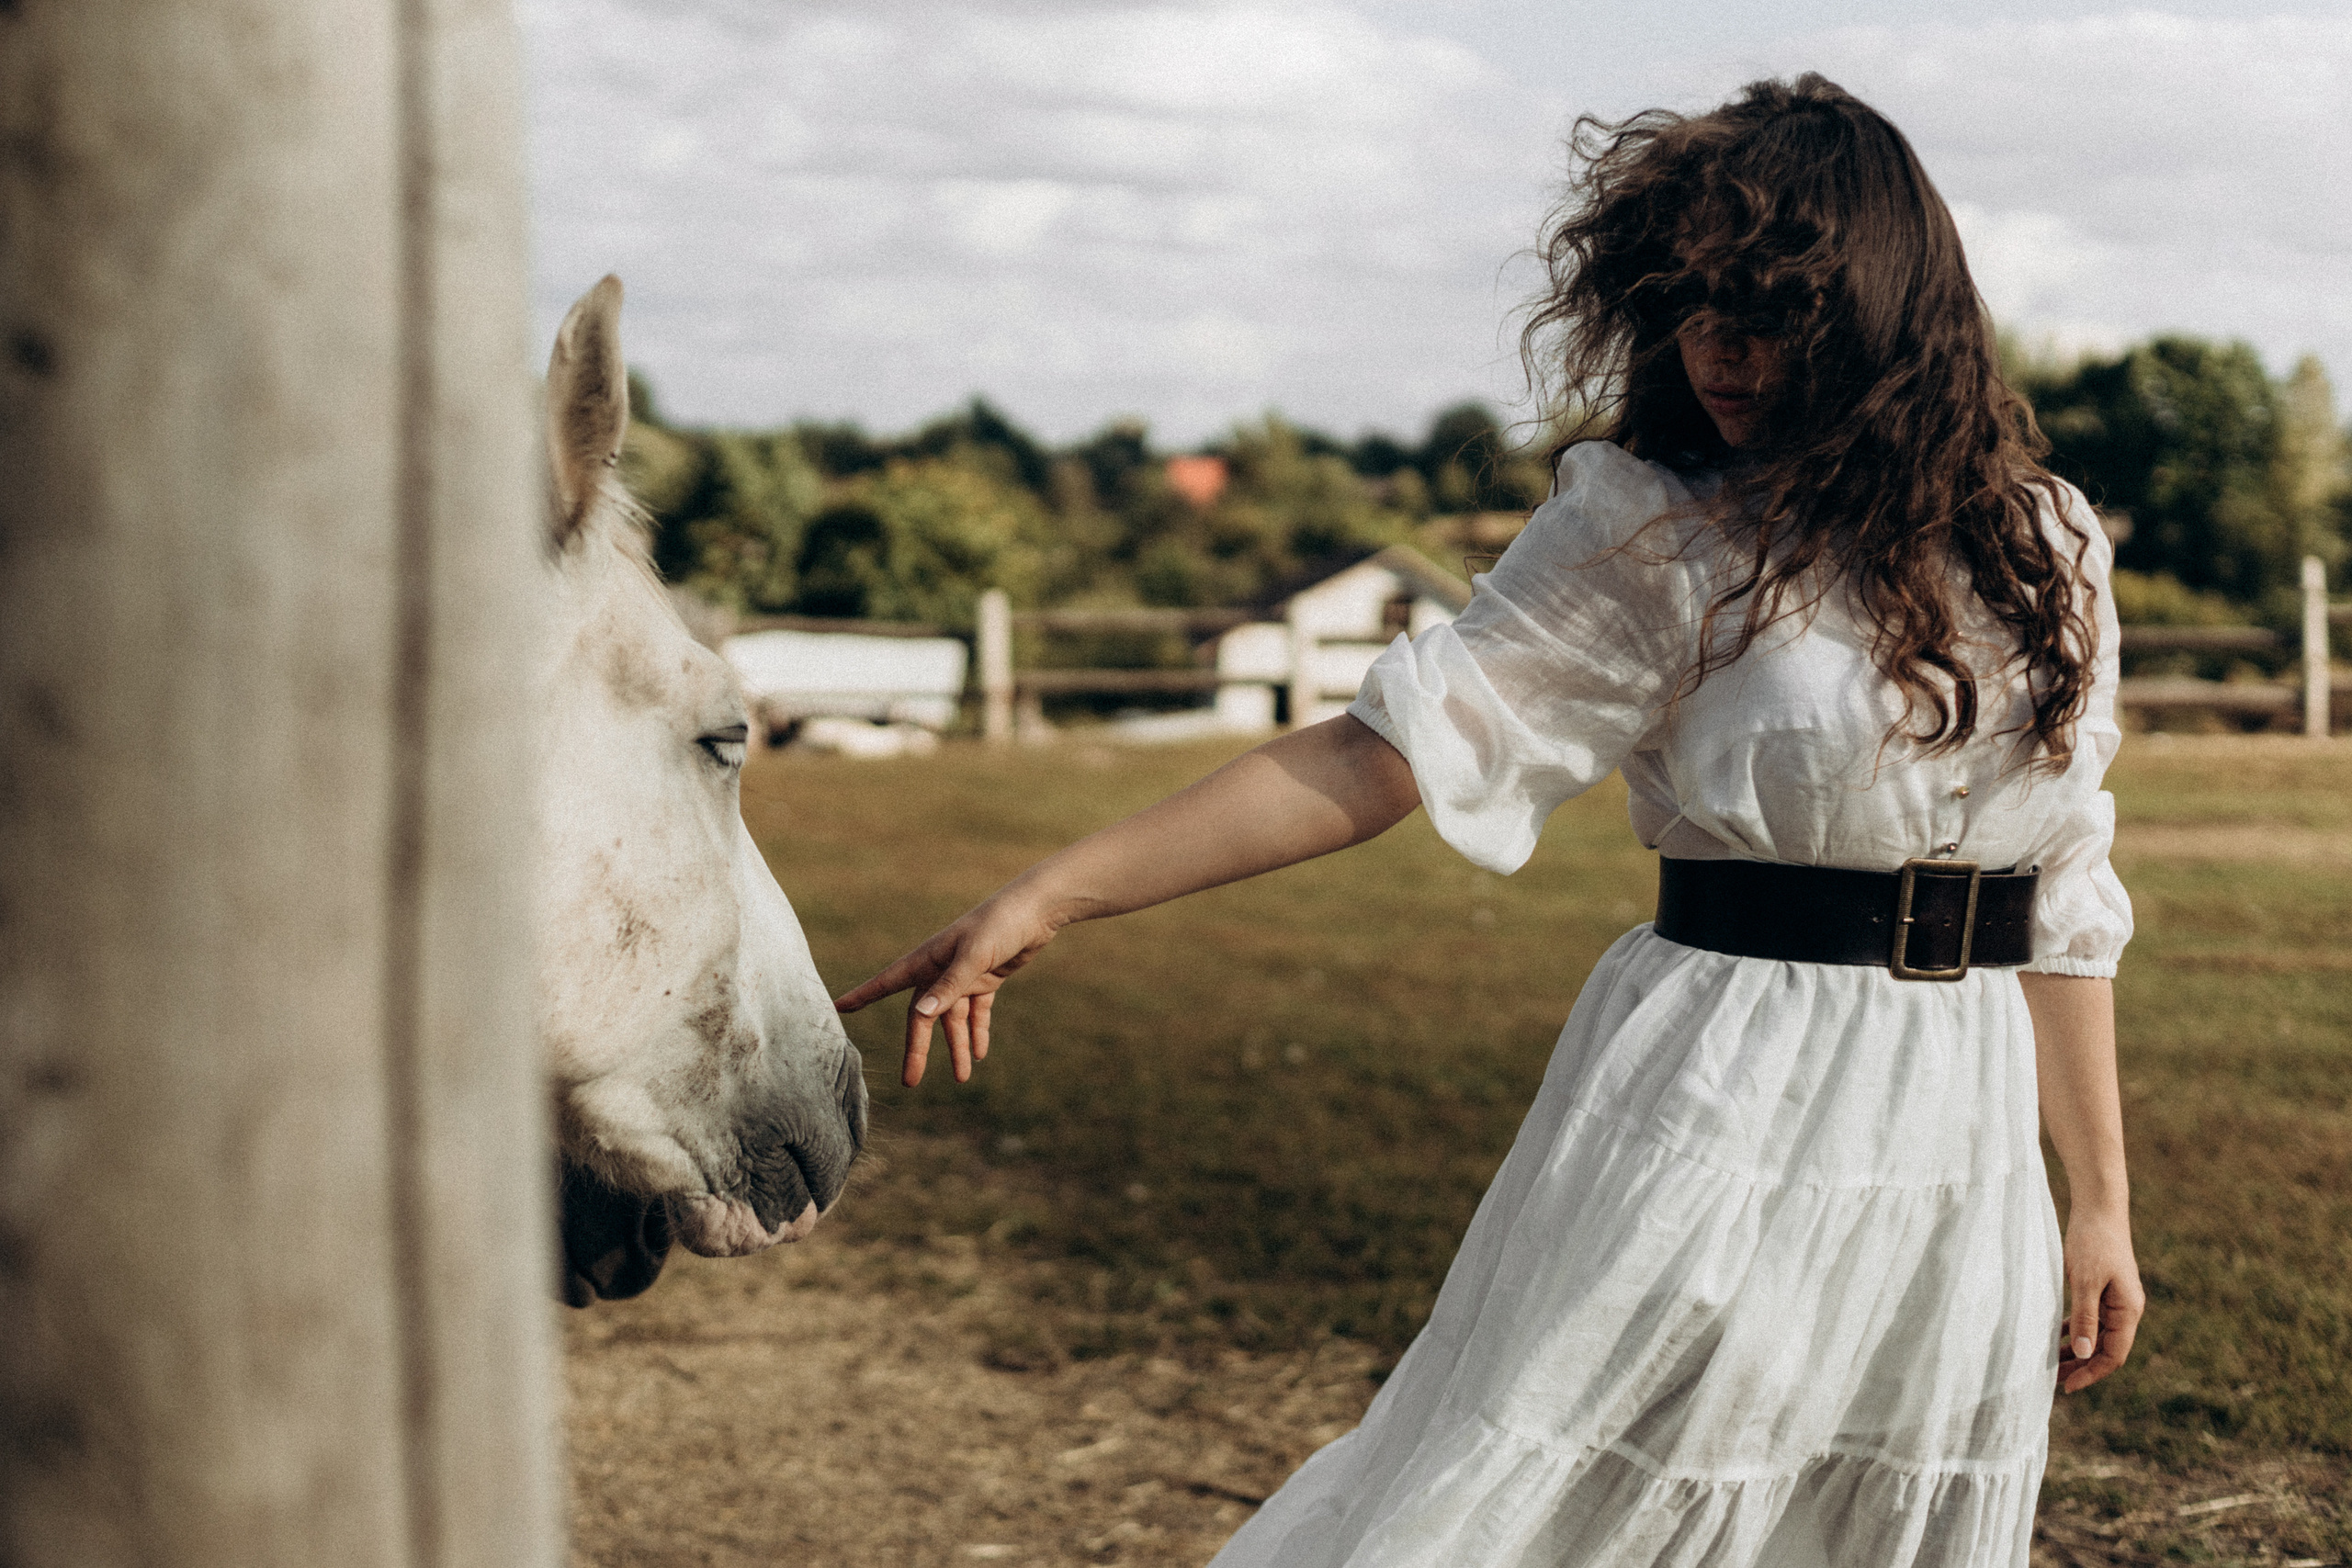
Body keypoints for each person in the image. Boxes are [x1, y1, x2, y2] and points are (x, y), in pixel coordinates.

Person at [837, 73, 2143, 1568]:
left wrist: (2095, 1207)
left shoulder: (2042, 541)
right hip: (1726, 1085)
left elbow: (2063, 881)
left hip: (1956, 1113)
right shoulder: (1658, 529)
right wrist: (1055, 893)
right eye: (1690, 303)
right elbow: (1383, 753)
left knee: (1871, 1508)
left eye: (1766, 307)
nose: (1717, 347)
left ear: (1880, 309)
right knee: (1576, 1496)